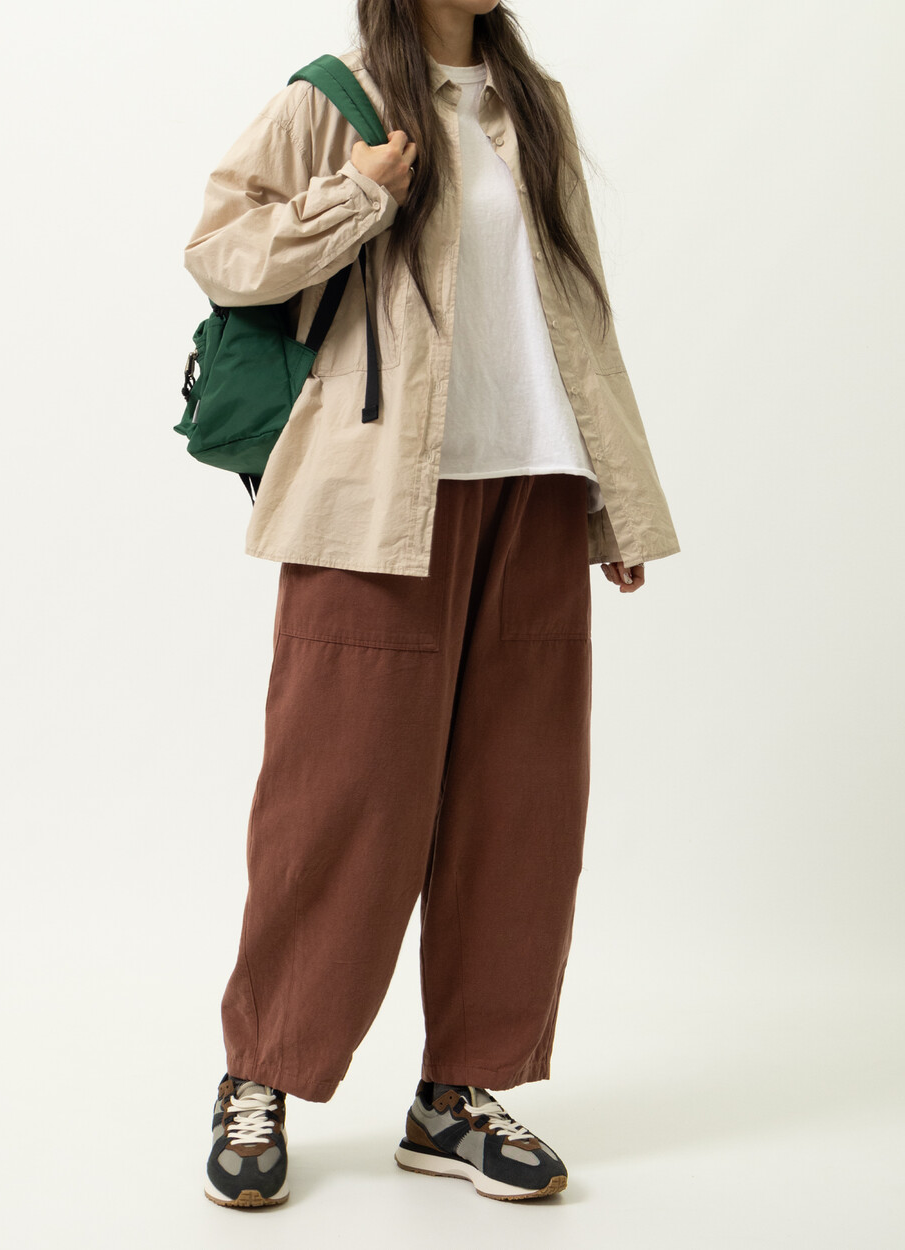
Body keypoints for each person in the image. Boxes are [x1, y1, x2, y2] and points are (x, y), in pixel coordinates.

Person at [183, 0, 680, 1209]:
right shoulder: (333, 97)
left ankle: (457, 1092)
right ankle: (261, 1070)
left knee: (521, 805)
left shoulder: (532, 107)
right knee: (338, 797)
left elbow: (579, 315)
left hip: (536, 484)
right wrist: (353, 196)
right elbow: (221, 251)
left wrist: (616, 499)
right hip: (375, 502)